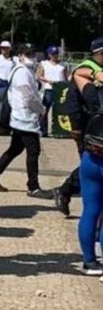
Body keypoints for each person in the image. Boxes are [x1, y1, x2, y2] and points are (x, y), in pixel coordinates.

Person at [0, 45, 54, 198]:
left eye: (33, 54)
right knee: (33, 151)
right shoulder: (22, 72)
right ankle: (33, 187)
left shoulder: (22, 70)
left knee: (15, 149)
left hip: (21, 117)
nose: (31, 57)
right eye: (28, 54)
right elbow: (28, 96)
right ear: (20, 55)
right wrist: (41, 109)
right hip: (24, 118)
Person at [55, 38, 103, 215]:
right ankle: (65, 191)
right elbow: (72, 100)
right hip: (87, 126)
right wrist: (75, 126)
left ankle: (66, 191)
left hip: (97, 124)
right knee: (90, 163)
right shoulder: (84, 69)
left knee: (92, 164)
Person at [37, 46, 68, 137]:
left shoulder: (62, 65)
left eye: (56, 54)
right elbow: (39, 75)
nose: (55, 56)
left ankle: (59, 130)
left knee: (60, 110)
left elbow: (66, 78)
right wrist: (48, 81)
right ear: (49, 55)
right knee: (44, 109)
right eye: (53, 54)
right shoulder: (44, 63)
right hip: (48, 89)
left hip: (60, 89)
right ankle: (43, 130)